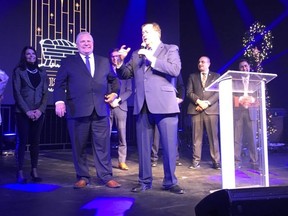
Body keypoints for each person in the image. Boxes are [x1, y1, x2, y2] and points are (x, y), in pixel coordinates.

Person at [116, 22, 184, 194]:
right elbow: (125, 74)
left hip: (165, 104)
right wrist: (120, 62)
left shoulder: (170, 49)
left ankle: (170, 182)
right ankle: (144, 181)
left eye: (146, 31)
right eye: (142, 32)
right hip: (143, 105)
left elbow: (175, 70)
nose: (143, 34)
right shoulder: (136, 55)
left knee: (168, 147)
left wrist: (152, 58)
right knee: (144, 148)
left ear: (157, 33)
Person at [54, 31, 121, 189]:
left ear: (93, 43)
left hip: (100, 111)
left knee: (102, 146)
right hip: (76, 110)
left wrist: (114, 93)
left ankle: (106, 176)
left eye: (89, 41)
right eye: (82, 41)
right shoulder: (68, 62)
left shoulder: (104, 61)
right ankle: (83, 176)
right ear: (77, 45)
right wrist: (58, 102)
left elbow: (114, 81)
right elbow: (59, 84)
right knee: (79, 146)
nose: (86, 43)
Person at [12, 46, 48, 183]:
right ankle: (20, 171)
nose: (31, 56)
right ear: (24, 56)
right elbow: (17, 93)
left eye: (33, 53)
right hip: (22, 112)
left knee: (35, 143)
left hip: (39, 113)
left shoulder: (42, 72)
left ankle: (34, 170)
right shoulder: (19, 71)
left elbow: (46, 93)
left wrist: (40, 110)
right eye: (28, 54)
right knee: (21, 142)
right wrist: (27, 111)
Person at [186, 56, 221, 170]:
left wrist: (207, 103)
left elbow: (218, 93)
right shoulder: (193, 76)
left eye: (203, 62)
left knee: (213, 137)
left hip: (211, 111)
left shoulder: (216, 76)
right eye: (199, 61)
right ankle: (196, 161)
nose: (200, 63)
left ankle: (216, 161)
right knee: (196, 137)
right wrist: (199, 102)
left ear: (209, 64)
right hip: (196, 110)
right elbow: (189, 92)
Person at [151, 74, 185, 167]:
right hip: (158, 104)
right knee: (156, 135)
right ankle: (154, 158)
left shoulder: (175, 70)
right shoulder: (155, 69)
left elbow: (181, 86)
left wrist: (180, 98)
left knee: (172, 135)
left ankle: (175, 158)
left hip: (171, 105)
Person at [108, 48, 132, 170]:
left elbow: (129, 90)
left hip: (121, 107)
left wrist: (118, 100)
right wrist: (110, 100)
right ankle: (105, 161)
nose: (115, 58)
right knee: (105, 135)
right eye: (113, 56)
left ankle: (121, 161)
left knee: (122, 136)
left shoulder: (125, 71)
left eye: (117, 56)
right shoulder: (106, 70)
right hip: (107, 106)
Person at [234, 59, 258, 169]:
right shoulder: (234, 80)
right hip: (238, 111)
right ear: (239, 69)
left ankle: (254, 161)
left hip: (251, 111)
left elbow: (260, 95)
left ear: (249, 66)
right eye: (242, 67)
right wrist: (240, 100)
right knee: (237, 138)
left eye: (246, 66)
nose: (244, 68)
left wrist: (251, 99)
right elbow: (231, 95)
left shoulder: (255, 80)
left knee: (252, 138)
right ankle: (236, 161)